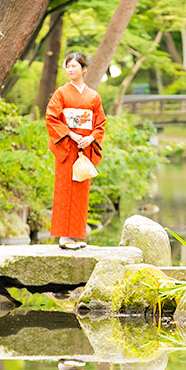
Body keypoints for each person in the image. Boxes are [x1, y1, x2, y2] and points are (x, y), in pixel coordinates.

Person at [45, 51, 106, 250]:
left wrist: (91, 137)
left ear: (84, 68)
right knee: (64, 189)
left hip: (85, 147)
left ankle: (77, 235)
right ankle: (64, 236)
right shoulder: (61, 93)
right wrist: (71, 135)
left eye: (74, 66)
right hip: (67, 146)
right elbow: (52, 118)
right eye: (68, 66)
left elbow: (100, 123)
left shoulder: (93, 96)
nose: (70, 70)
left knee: (81, 189)